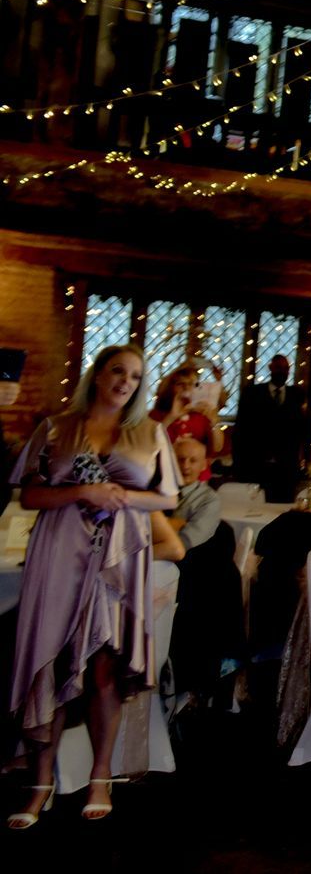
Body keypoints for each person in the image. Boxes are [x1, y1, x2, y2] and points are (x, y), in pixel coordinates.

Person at [7, 345, 180, 828]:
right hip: (60, 554)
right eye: (117, 371)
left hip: (121, 558)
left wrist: (121, 496)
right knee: (52, 659)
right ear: (98, 374)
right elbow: (32, 495)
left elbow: (167, 495)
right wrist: (82, 491)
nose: (125, 381)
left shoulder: (150, 432)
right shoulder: (57, 427)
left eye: (135, 375)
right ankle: (40, 780)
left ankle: (101, 774)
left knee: (105, 668)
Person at [164, 434, 244, 708]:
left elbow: (183, 545)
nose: (185, 465)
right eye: (179, 459)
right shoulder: (157, 491)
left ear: (203, 465)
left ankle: (183, 684)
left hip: (195, 583)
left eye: (192, 460)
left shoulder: (208, 500)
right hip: (177, 573)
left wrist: (161, 529)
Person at [235, 354, 311, 501]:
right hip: (256, 463)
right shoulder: (252, 393)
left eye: (285, 369)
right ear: (270, 368)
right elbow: (241, 429)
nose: (282, 372)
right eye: (278, 368)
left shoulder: (297, 395)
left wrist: (303, 459)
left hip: (287, 465)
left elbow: (303, 429)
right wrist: (239, 462)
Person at [151, 360, 226, 455]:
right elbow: (149, 442)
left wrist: (214, 422)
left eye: (191, 384)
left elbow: (217, 448)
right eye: (180, 384)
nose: (186, 387)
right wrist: (171, 417)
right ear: (171, 387)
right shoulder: (158, 414)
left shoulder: (203, 413)